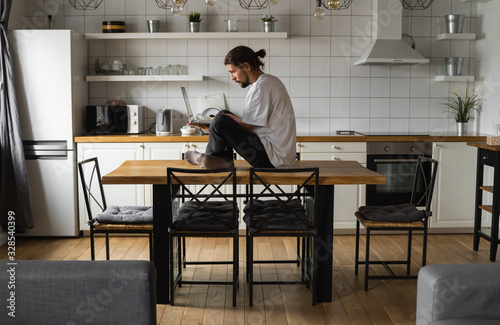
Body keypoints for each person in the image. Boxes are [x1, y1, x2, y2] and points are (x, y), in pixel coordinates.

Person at [185, 45, 296, 169]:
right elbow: (253, 125)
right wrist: (215, 129)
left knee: (220, 120)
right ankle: (222, 161)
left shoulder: (261, 87)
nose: (232, 77)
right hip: (275, 155)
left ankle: (207, 158)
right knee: (222, 115)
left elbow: (248, 127)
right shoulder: (268, 82)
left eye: (233, 72)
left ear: (246, 66)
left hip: (272, 159)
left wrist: (219, 125)